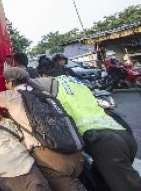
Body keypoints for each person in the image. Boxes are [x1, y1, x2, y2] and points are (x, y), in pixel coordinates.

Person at [34, 56, 141, 191]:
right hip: (122, 134)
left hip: (103, 142)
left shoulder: (49, 82)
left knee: (127, 186)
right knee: (99, 179)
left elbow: (25, 85)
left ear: (43, 75)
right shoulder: (76, 81)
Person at [0, 68, 83, 191]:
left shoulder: (13, 96)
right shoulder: (44, 93)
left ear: (10, 83)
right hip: (74, 151)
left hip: (49, 157)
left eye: (5, 82)